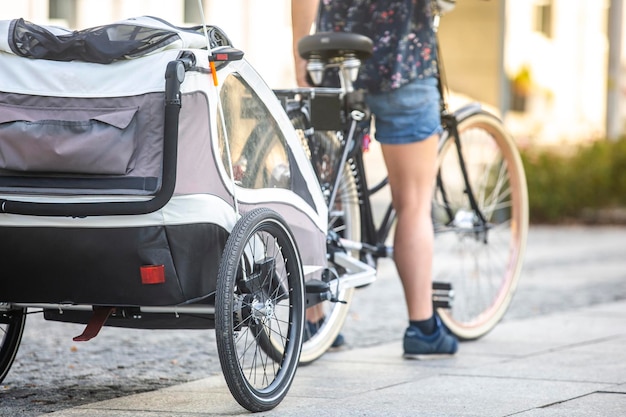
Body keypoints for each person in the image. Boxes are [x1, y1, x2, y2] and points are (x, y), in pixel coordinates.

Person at [291, 0, 458, 356]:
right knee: (412, 204)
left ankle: (315, 320)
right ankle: (423, 328)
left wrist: (300, 54)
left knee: (325, 194)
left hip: (331, 59)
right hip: (402, 60)